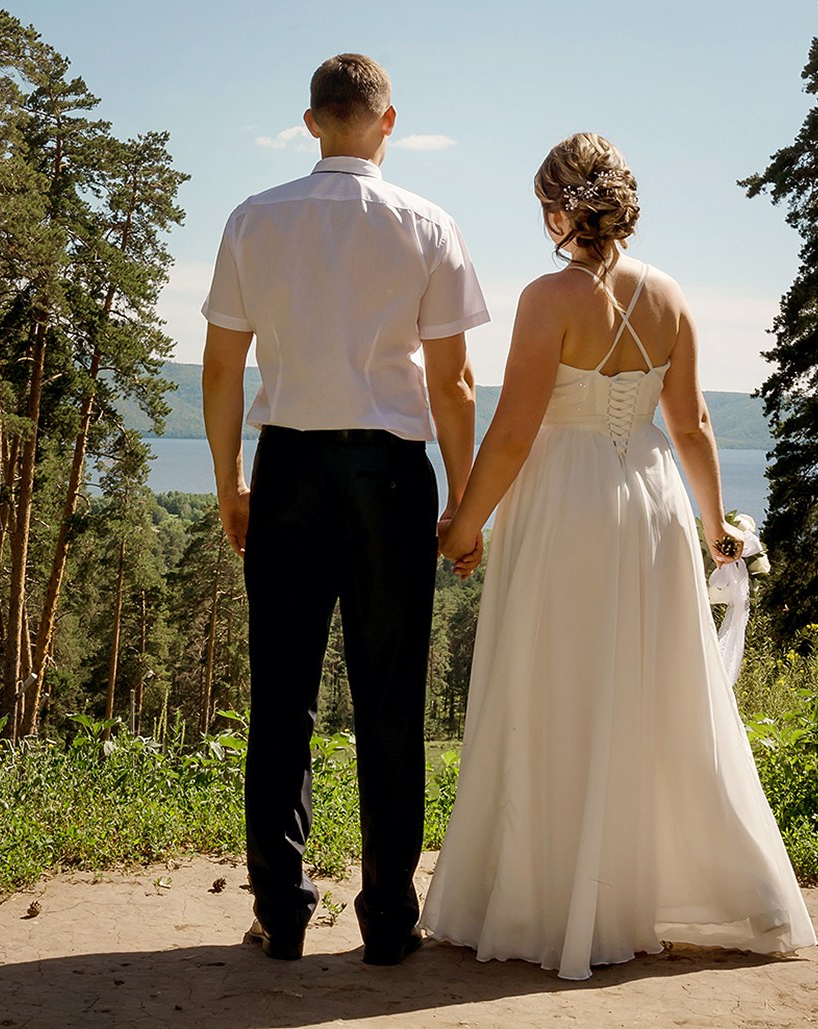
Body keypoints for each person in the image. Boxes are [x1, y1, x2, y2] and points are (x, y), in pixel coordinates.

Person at [423, 132, 815, 980]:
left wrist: (463, 523)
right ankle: (624, 895)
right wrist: (718, 526)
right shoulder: (670, 294)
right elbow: (694, 427)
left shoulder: (546, 297)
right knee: (643, 696)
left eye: (545, 205)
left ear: (562, 209)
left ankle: (546, 900)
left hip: (565, 508)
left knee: (552, 685)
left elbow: (518, 428)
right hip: (650, 504)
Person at [201, 53, 488, 966]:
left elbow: (220, 367)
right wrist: (464, 500)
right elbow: (455, 381)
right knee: (391, 700)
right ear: (387, 120)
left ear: (312, 121)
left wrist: (230, 481)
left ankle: (280, 912)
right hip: (391, 477)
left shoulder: (255, 217)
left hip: (287, 468)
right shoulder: (429, 223)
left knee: (281, 697)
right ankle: (389, 922)